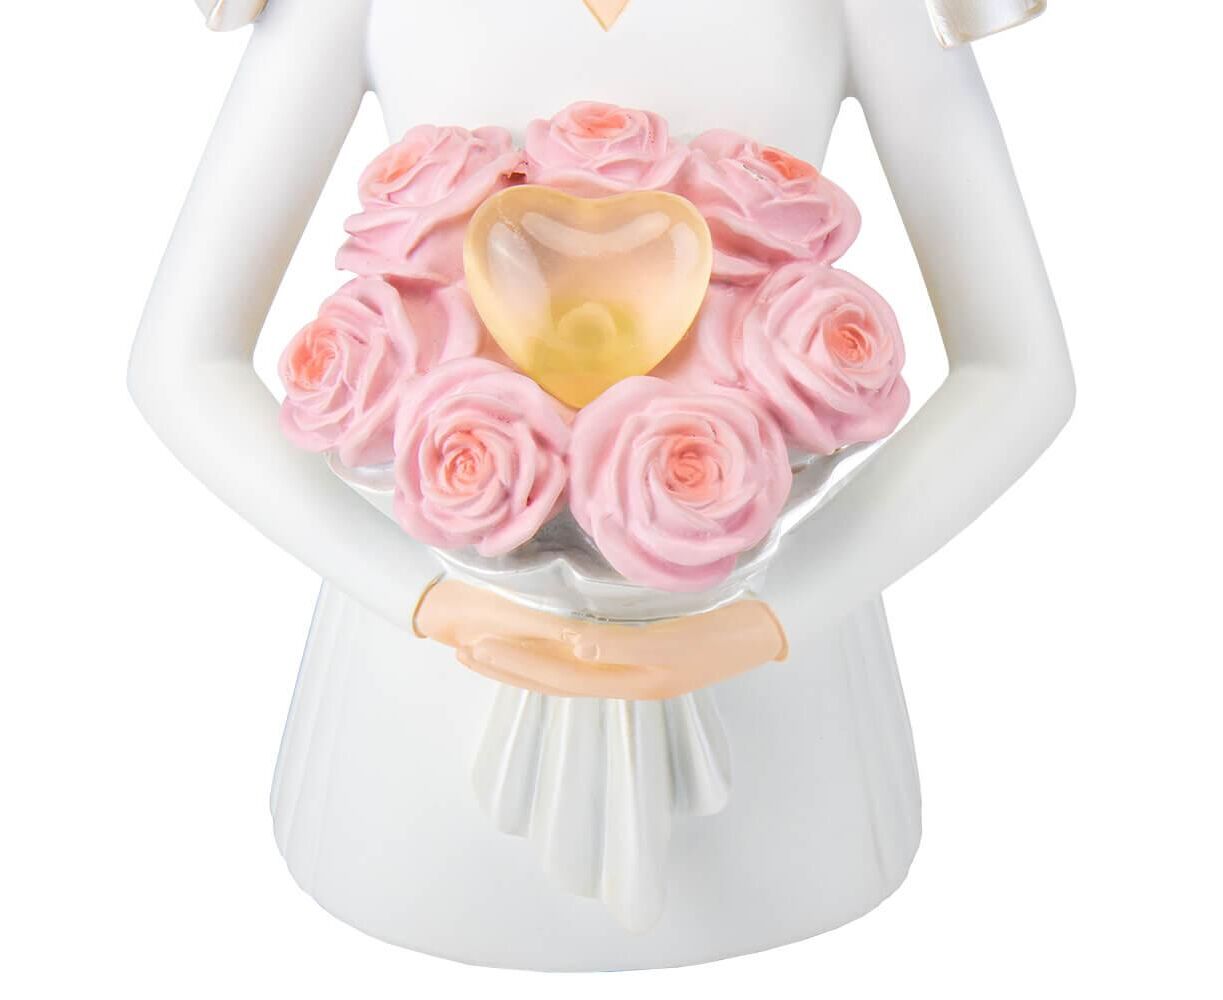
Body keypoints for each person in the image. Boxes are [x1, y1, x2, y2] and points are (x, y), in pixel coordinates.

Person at [130, 0, 1072, 970]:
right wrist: (433, 601)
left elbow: (1017, 371)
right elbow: (181, 361)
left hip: (785, 761)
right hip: (410, 753)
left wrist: (758, 621)